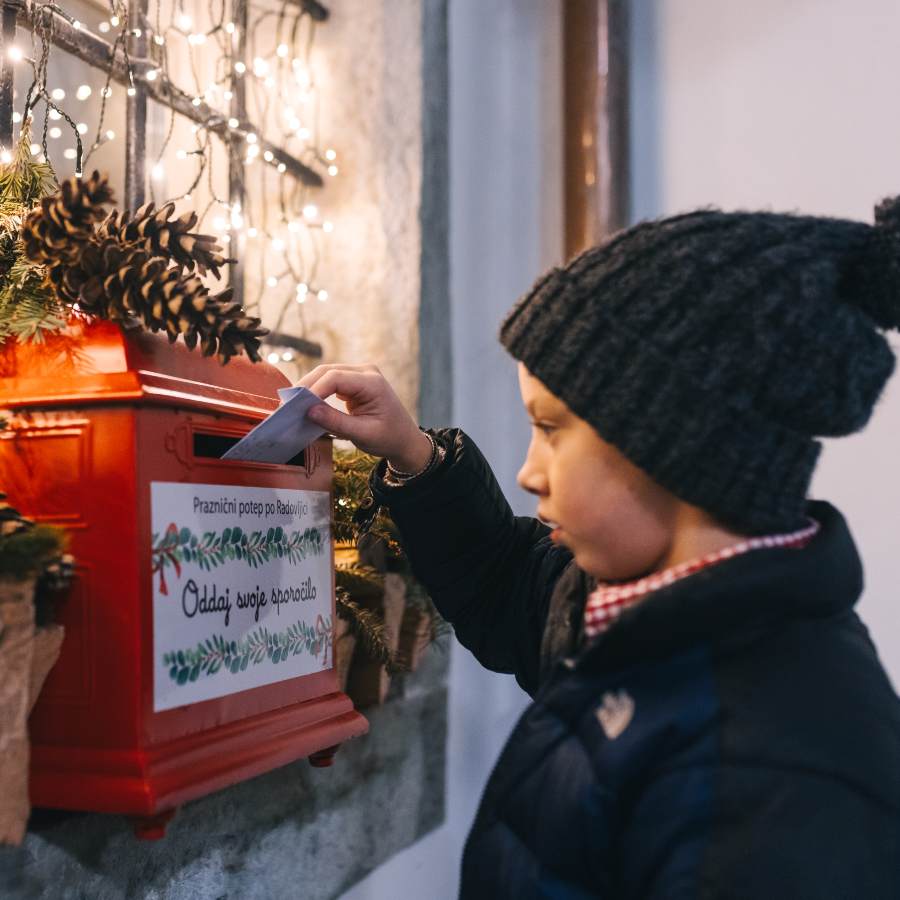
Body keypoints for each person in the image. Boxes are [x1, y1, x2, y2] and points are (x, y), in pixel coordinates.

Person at [302, 202, 900, 899]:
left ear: (671, 445)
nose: (530, 470)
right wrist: (413, 454)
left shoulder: (783, 784)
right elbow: (506, 582)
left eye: (551, 429)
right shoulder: (644, 603)